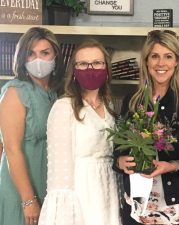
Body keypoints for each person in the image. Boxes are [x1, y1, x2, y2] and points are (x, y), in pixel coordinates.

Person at [113, 30, 179, 225]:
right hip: (139, 203)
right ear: (146, 61)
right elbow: (118, 148)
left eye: (168, 56)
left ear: (177, 62)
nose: (161, 63)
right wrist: (120, 161)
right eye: (154, 56)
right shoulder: (132, 101)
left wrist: (172, 165)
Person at [38, 39, 122, 225]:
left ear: (106, 69)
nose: (90, 68)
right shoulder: (63, 107)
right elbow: (57, 173)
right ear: (74, 71)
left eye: (97, 63)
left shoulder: (109, 107)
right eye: (83, 64)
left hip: (107, 190)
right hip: (79, 193)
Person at [0, 27, 64, 225]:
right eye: (31, 53)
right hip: (22, 187)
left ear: (55, 56)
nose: (38, 60)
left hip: (50, 182)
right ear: (22, 58)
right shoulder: (15, 92)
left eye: (45, 53)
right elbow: (11, 149)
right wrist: (28, 200)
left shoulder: (56, 93)